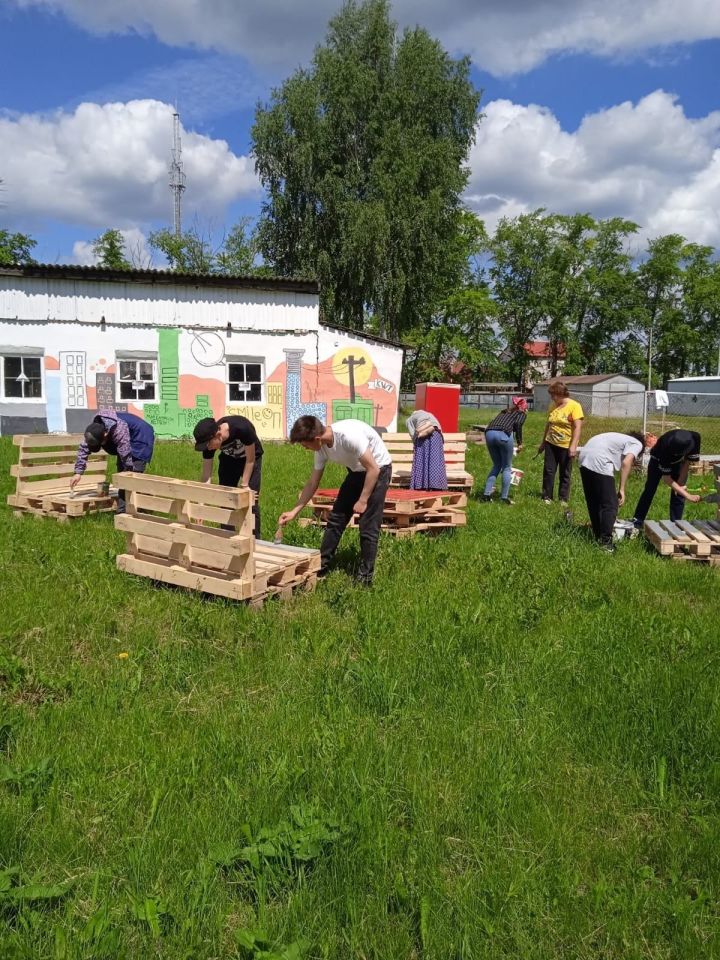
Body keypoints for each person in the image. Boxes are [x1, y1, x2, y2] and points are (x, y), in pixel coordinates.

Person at [278, 416, 392, 586]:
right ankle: (321, 568)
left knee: (368, 526)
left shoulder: (349, 437)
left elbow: (373, 469)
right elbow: (312, 483)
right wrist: (294, 511)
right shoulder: (321, 448)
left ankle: (365, 578)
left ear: (316, 438)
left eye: (305, 445)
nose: (305, 448)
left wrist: (363, 500)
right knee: (336, 518)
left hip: (379, 470)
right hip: (357, 471)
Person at [578, 431, 651, 551]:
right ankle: (606, 543)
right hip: (599, 459)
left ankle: (598, 536)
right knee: (611, 504)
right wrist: (622, 489)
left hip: (584, 456)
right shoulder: (637, 443)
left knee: (594, 501)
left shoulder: (617, 438)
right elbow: (626, 462)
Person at [71, 409, 155, 514]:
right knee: (123, 478)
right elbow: (84, 449)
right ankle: (138, 506)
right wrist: (78, 473)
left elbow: (125, 452)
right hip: (126, 438)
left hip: (141, 436)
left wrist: (128, 471)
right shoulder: (94, 430)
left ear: (105, 435)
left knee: (131, 476)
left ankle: (126, 512)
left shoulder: (119, 429)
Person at [193, 416, 263, 538]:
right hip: (229, 460)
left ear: (218, 435)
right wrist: (201, 506)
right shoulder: (208, 442)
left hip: (251, 459)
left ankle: (254, 540)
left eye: (209, 445)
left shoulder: (242, 428)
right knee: (225, 499)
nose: (208, 448)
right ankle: (228, 537)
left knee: (251, 500)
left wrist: (245, 485)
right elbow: (206, 476)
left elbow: (250, 460)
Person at [631, 428, 702, 529]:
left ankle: (676, 524)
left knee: (679, 493)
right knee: (650, 490)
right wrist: (688, 495)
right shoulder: (665, 445)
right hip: (657, 461)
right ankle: (638, 520)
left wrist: (681, 484)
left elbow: (687, 461)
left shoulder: (695, 437)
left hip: (678, 463)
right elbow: (667, 479)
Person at [539, 379, 584, 505]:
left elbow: (577, 427)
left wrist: (573, 446)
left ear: (559, 394)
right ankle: (546, 496)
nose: (552, 398)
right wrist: (543, 442)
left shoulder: (575, 406)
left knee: (565, 472)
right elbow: (548, 425)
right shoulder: (554, 406)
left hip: (566, 445)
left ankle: (563, 499)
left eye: (553, 395)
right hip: (551, 443)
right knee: (548, 470)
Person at [481, 397, 527, 504]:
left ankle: (486, 495)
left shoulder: (505, 411)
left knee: (497, 465)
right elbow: (518, 425)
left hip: (489, 433)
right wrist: (520, 443)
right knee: (506, 467)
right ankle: (504, 498)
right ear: (523, 407)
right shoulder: (521, 413)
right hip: (503, 435)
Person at [406, 409, 447, 490]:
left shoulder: (409, 420)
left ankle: (421, 485)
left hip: (422, 437)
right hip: (436, 435)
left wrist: (415, 445)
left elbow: (413, 434)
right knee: (435, 461)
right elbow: (439, 428)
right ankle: (436, 486)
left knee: (421, 460)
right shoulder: (429, 414)